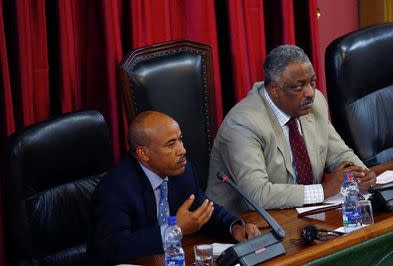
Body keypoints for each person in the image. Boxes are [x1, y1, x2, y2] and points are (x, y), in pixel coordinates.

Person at [206, 45, 376, 215]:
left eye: (312, 82)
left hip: (303, 215)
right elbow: (256, 194)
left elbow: (339, 155)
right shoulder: (243, 123)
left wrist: (362, 174)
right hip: (245, 227)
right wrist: (324, 190)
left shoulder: (314, 105)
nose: (310, 93)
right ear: (275, 90)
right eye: (298, 86)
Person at [88, 111, 260, 265]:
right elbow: (114, 247)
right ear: (143, 153)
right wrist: (174, 230)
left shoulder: (182, 172)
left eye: (180, 139)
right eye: (171, 144)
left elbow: (202, 209)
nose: (182, 150)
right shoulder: (116, 188)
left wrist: (235, 226)